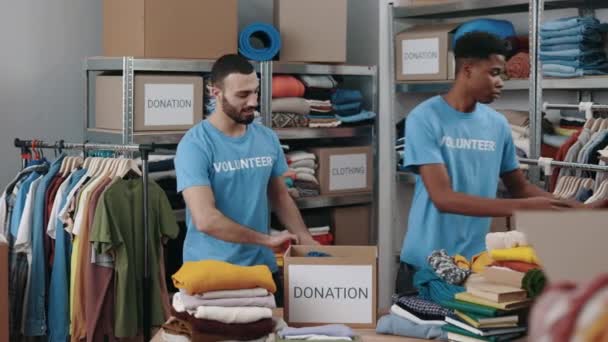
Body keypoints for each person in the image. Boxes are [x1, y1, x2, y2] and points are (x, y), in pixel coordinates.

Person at [397, 31, 572, 294]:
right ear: (467, 69)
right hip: (426, 265)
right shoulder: (424, 118)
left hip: (477, 266)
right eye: (494, 72)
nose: (500, 82)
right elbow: (443, 198)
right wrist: (526, 206)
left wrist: (577, 208)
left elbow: (521, 188)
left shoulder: (497, 124)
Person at [175, 54, 318, 304]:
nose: (253, 102)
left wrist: (306, 240)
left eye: (255, 92)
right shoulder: (195, 145)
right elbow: (205, 219)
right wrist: (267, 240)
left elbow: (279, 195)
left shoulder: (267, 138)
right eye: (242, 95)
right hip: (212, 275)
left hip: (262, 272)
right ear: (215, 92)